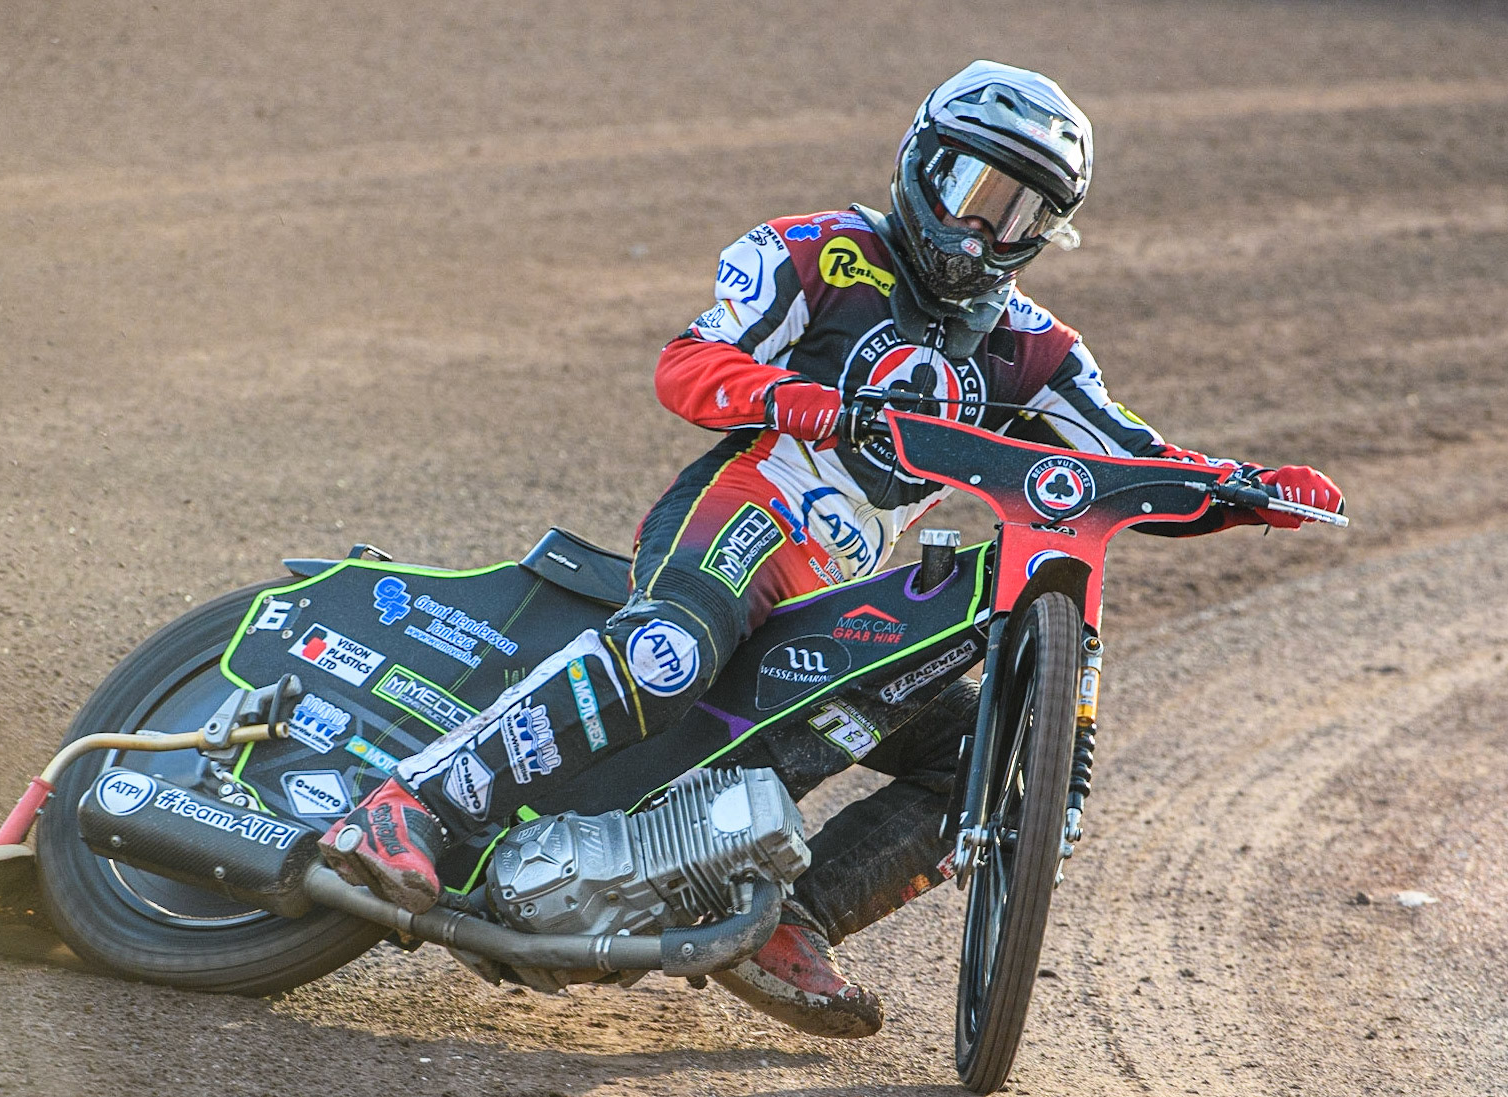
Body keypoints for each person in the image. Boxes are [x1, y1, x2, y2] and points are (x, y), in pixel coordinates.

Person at [321, 60, 1343, 1038]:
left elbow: (1128, 460)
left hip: (843, 584)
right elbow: (686, 365)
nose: (985, 228)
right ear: (921, 160)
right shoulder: (818, 250)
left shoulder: (1035, 349)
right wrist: (803, 403)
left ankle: (786, 918)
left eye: (1023, 212)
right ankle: (408, 804)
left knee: (975, 757)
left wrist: (1245, 491)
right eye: (973, 188)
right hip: (747, 510)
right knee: (668, 653)